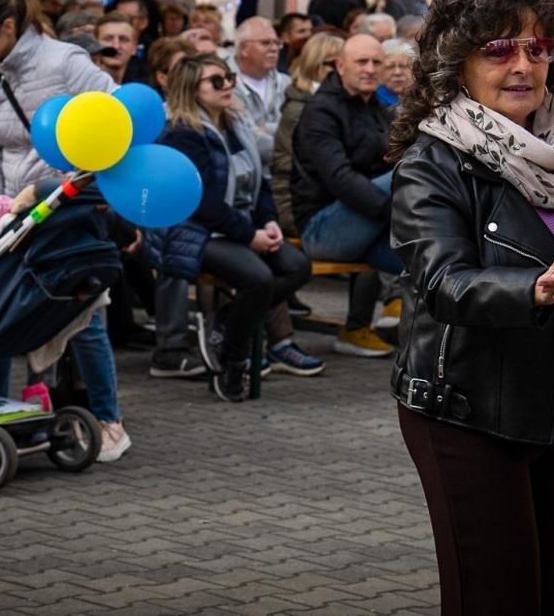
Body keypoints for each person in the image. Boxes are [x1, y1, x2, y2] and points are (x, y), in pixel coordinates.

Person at [386, 0, 554, 616]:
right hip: (467, 409)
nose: (523, 64)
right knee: (496, 598)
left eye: (538, 45)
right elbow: (443, 283)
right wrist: (539, 289)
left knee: (543, 594)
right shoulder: (433, 162)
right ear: (457, 58)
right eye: (500, 47)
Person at [0, 0, 131, 462]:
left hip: (68, 203)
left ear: (8, 26)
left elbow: (115, 120)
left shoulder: (65, 61)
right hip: (12, 207)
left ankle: (108, 417)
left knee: (80, 311)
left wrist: (69, 185)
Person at [153, 56, 315, 400]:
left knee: (297, 266)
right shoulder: (182, 134)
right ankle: (232, 362)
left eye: (228, 77)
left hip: (240, 223)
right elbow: (202, 202)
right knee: (258, 279)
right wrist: (250, 236)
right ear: (190, 90)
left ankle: (223, 322)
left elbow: (260, 182)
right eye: (216, 81)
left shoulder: (236, 124)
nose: (228, 84)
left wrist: (268, 222)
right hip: (197, 230)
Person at [292, 34, 400, 357]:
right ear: (340, 66)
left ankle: (434, 354)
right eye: (361, 62)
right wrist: (397, 212)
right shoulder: (321, 111)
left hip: (369, 226)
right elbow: (341, 180)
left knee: (428, 259)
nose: (370, 69)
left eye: (376, 63)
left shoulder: (378, 109)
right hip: (322, 228)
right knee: (409, 171)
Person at [273, 34, 345, 239]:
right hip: (298, 209)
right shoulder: (303, 109)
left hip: (328, 200)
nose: (343, 70)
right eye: (335, 64)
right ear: (315, 65)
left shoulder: (338, 102)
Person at [226, 17, 288, 165]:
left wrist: (265, 128)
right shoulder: (223, 82)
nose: (274, 49)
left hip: (283, 173)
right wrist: (289, 148)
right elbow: (247, 138)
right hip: (246, 175)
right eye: (265, 43)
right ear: (243, 49)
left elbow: (299, 128)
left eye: (277, 43)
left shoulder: (286, 82)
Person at [377, 38, 415, 105]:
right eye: (390, 67)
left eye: (403, 66)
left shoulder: (425, 100)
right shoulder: (372, 102)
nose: (397, 72)